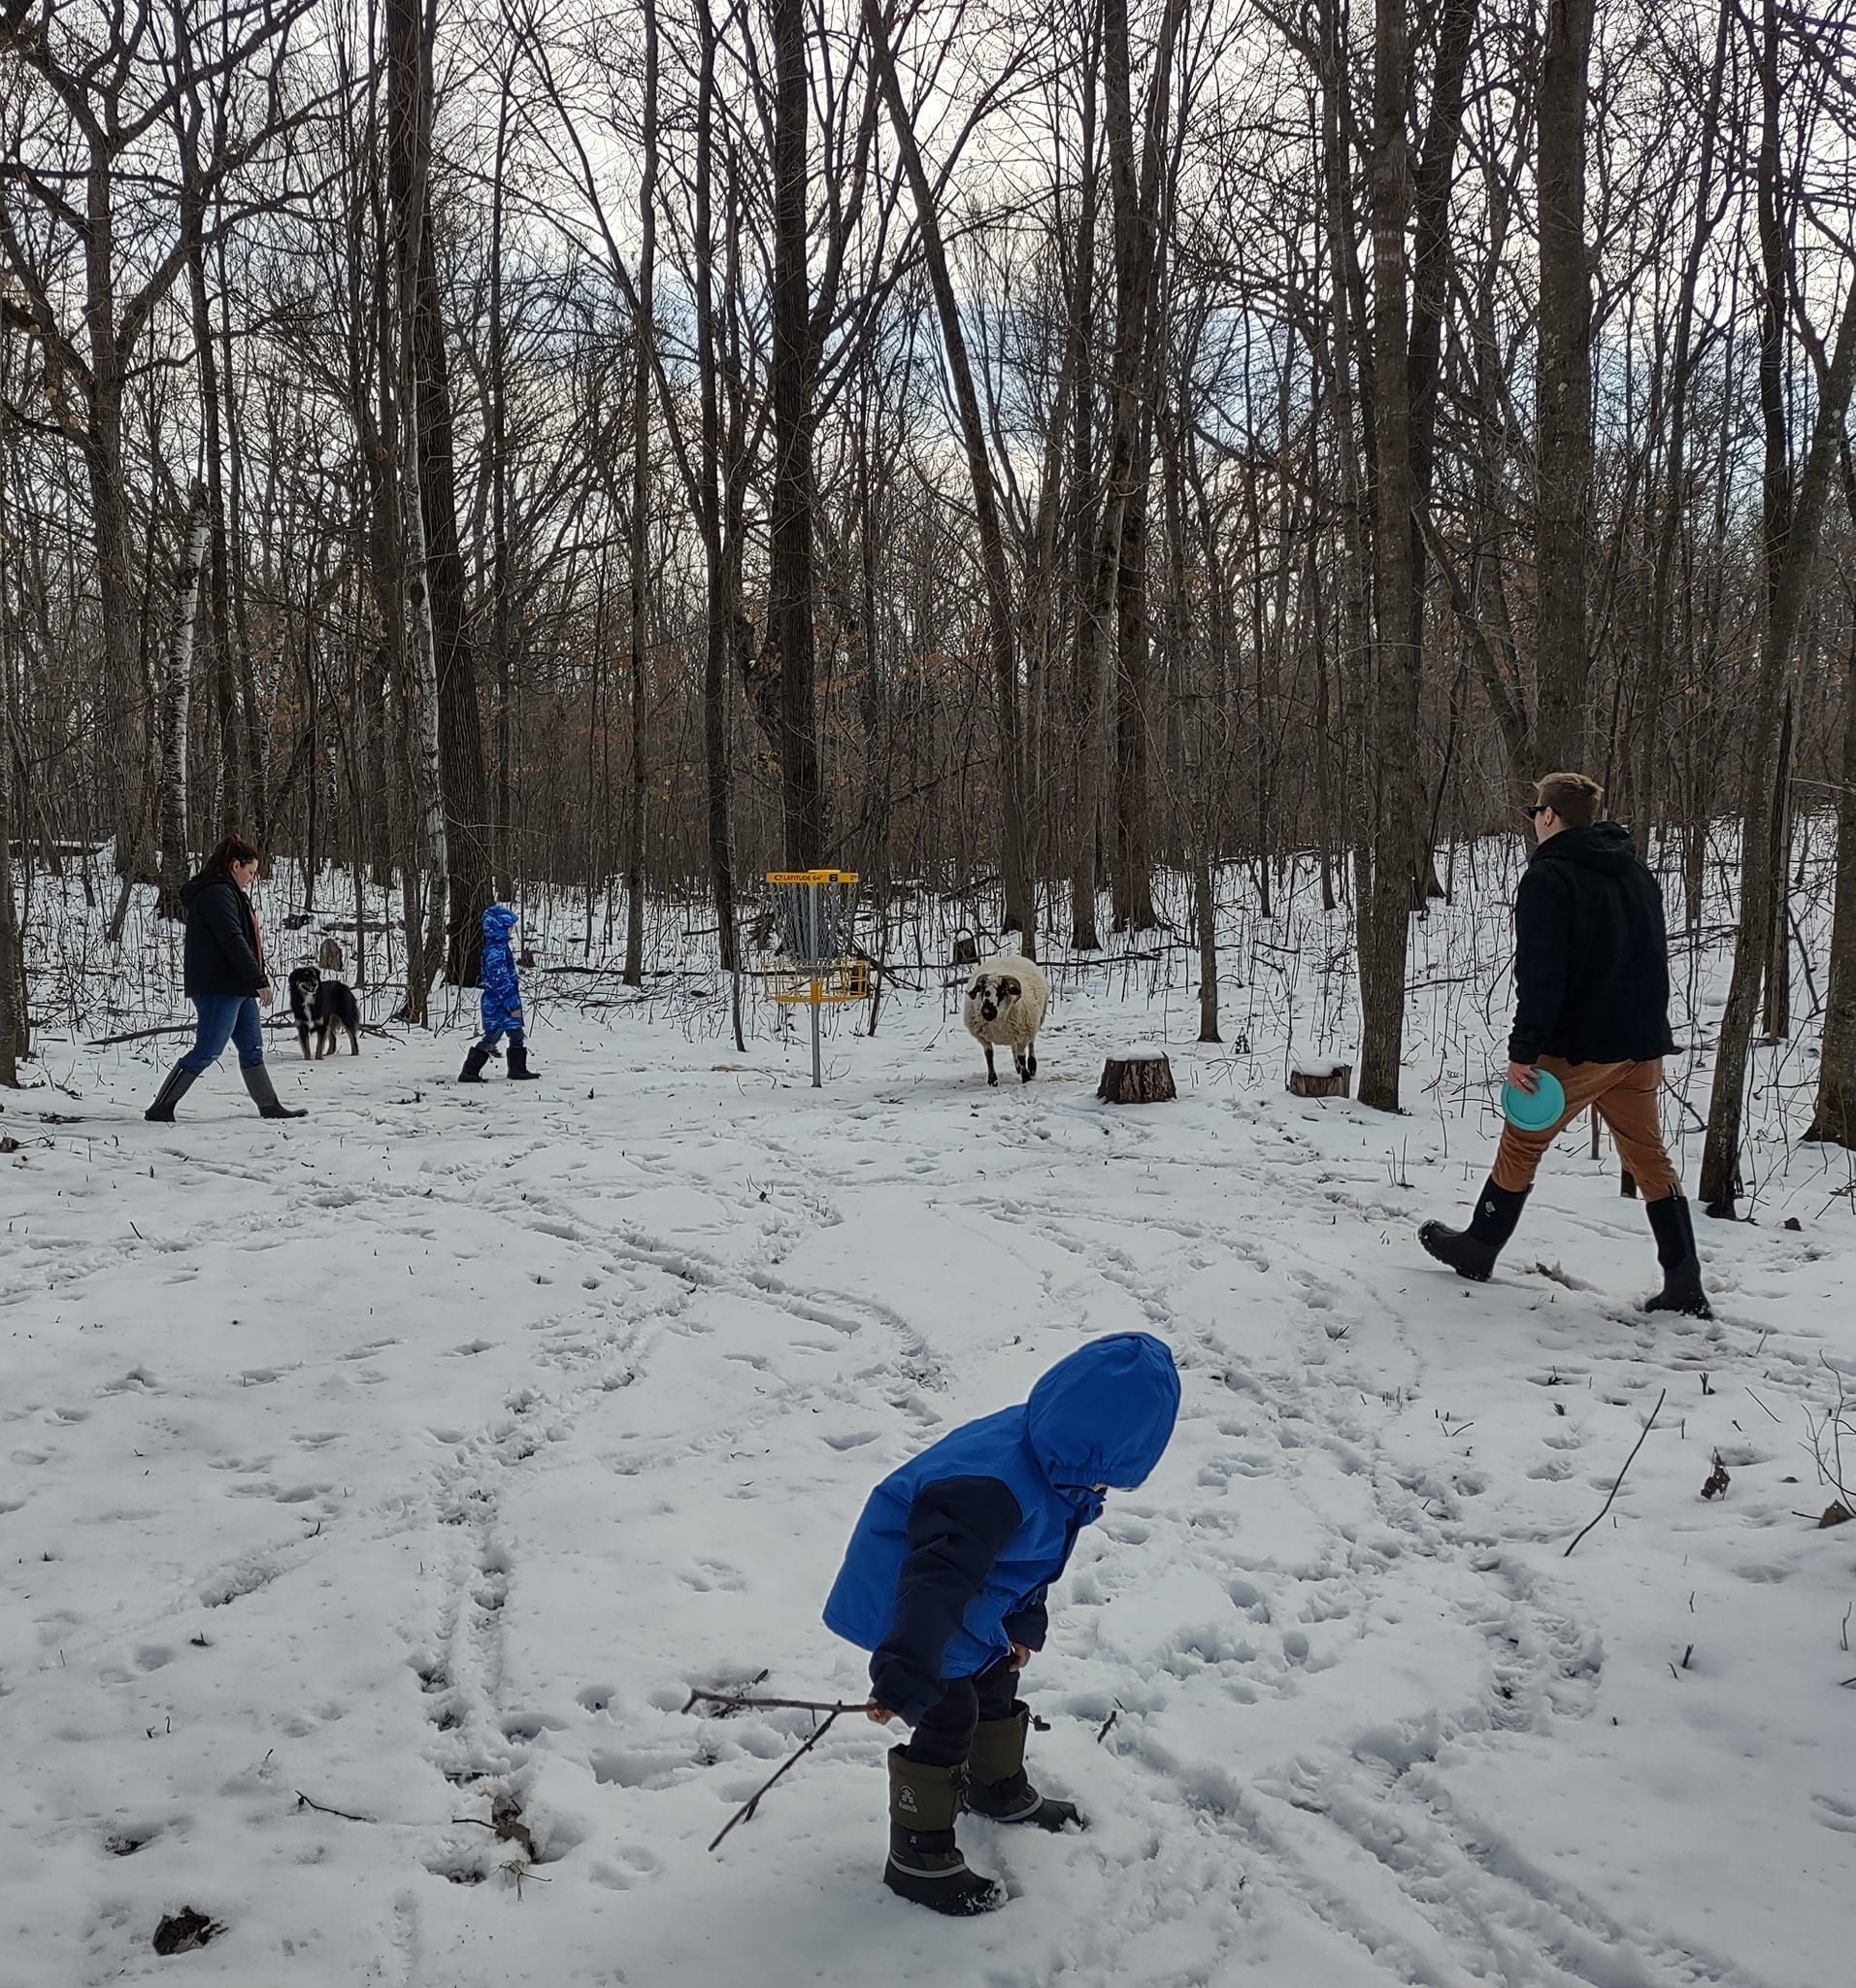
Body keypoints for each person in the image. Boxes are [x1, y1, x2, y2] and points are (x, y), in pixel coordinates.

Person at [823, 1332, 1180, 1915]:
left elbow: (1024, 1557)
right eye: (1104, 1479)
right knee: (948, 1711)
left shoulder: (1054, 1455)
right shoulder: (991, 1488)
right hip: (909, 1599)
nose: (1101, 1491)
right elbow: (936, 1577)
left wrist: (1022, 1623)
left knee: (995, 1673)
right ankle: (917, 1854)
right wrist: (904, 1671)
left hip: (964, 1592)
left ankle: (994, 1789)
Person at [1419, 772, 1707, 1316]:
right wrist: (1649, 1033)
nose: (1534, 821)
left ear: (1549, 815)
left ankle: (1478, 1248)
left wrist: (1523, 1051)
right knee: (1649, 1157)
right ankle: (1685, 1282)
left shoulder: (1549, 877)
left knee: (1521, 1142)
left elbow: (1542, 975)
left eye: (1535, 812)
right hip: (1638, 1044)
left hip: (1577, 1046)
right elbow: (1651, 962)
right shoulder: (1636, 871)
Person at [146, 837, 306, 1123]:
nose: (252, 879)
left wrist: (252, 979)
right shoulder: (217, 894)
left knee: (252, 1047)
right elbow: (232, 939)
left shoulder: (230, 892)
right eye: (251, 872)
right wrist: (258, 978)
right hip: (218, 986)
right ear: (235, 866)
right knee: (208, 1049)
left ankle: (269, 1106)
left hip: (237, 985)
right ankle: (161, 1106)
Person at [458, 903, 538, 1082]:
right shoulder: (494, 951)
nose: (510, 930)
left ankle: (518, 1069)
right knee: (493, 1036)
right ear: (498, 928)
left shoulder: (502, 948)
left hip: (510, 1001)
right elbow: (498, 979)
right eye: (507, 927)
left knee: (516, 1032)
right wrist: (509, 1000)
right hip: (499, 1003)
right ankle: (469, 1071)